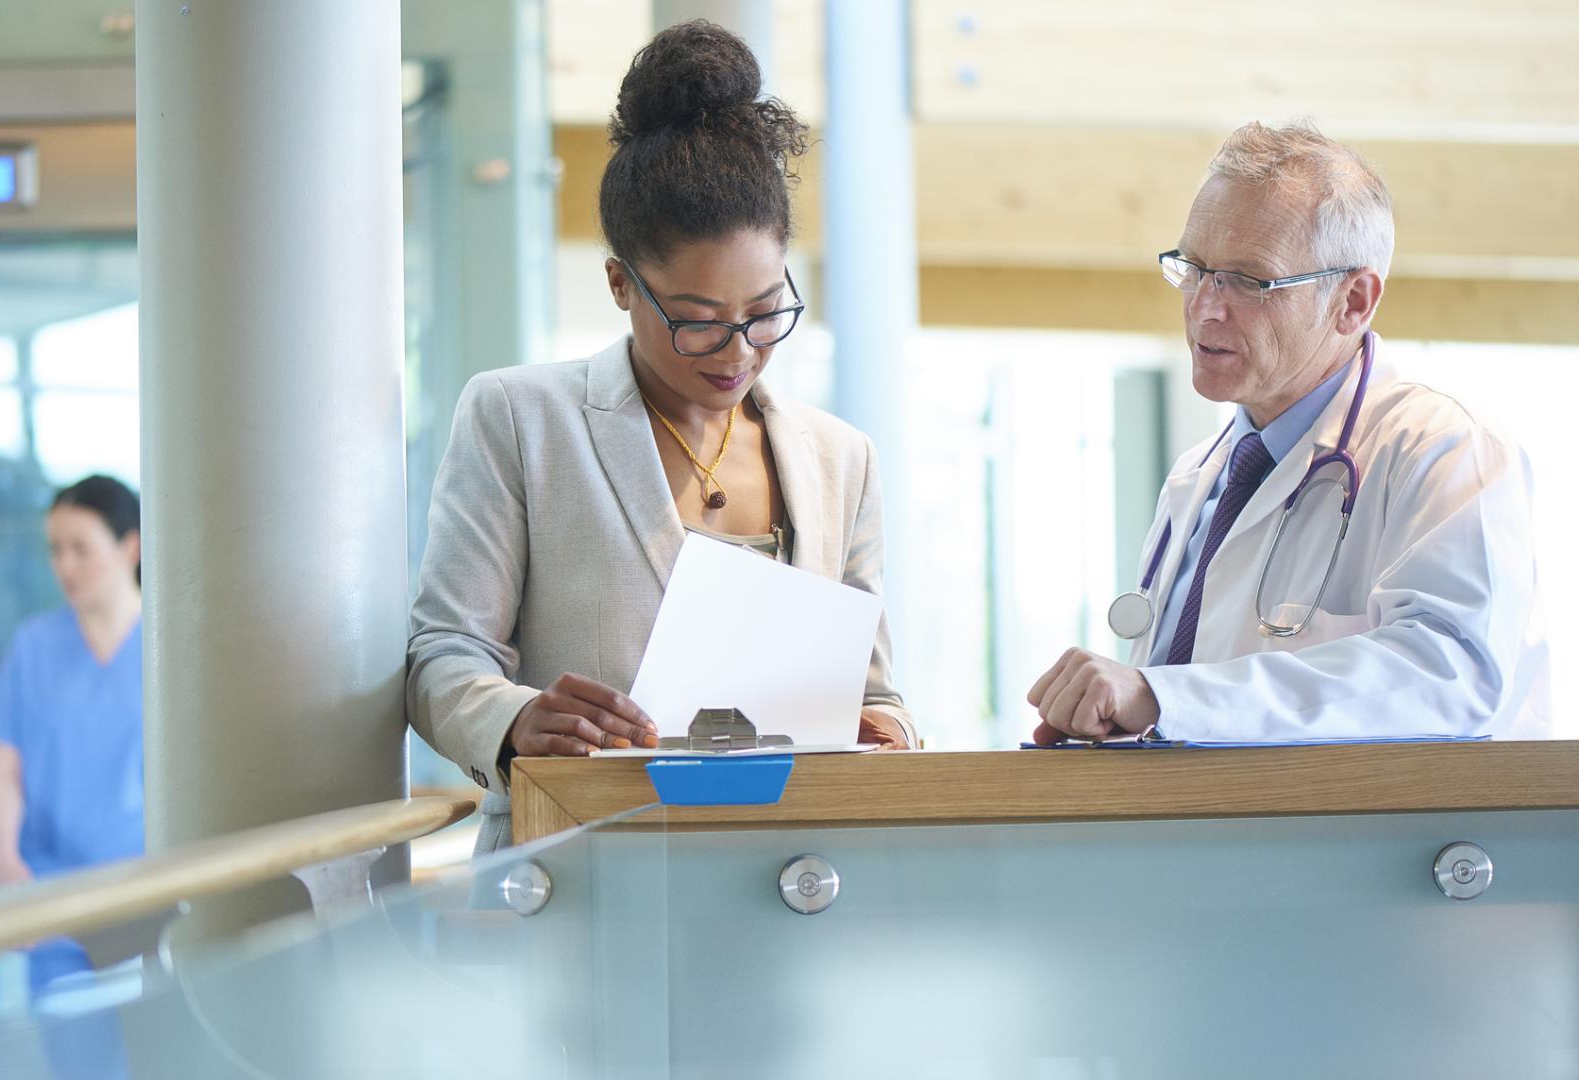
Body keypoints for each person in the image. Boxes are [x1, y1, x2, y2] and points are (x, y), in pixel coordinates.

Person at [409, 20, 914, 852]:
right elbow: (444, 654)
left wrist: (884, 732)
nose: (739, 351)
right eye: (697, 322)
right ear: (620, 284)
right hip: (580, 863)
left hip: (788, 873)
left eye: (764, 314)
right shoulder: (521, 419)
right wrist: (518, 719)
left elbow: (876, 691)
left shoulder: (839, 459)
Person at [1028, 121, 1548, 745]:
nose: (1204, 307)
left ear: (1353, 301)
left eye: (1249, 281)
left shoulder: (1444, 449)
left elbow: (1451, 674)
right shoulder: (1198, 478)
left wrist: (1163, 696)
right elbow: (1179, 716)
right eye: (1194, 268)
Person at [0, 474, 143, 1077]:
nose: (65, 566)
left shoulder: (170, 649)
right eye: (55, 550)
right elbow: (4, 769)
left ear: (130, 548)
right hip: (56, 905)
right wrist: (5, 862)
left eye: (81, 548)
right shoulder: (34, 648)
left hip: (151, 903)